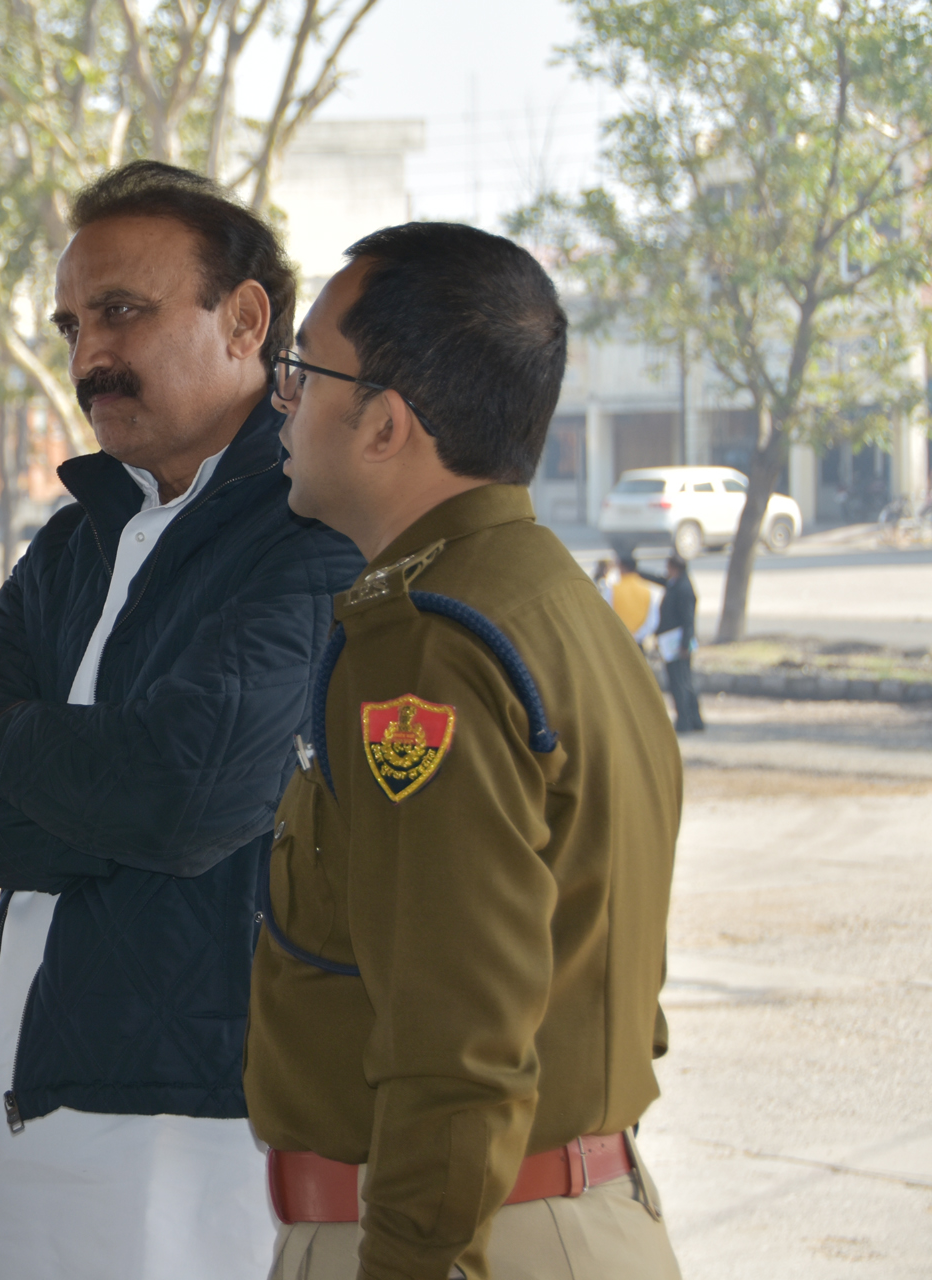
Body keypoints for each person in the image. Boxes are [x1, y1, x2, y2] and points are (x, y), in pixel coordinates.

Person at [0, 160, 363, 1279]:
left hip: (209, 1124)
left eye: (124, 311)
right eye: (72, 322)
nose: (89, 353)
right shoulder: (78, 538)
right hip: (32, 1082)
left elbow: (186, 795)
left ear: (245, 319)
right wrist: (98, 784)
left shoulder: (306, 532)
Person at [244, 221, 682, 1279]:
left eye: (299, 365)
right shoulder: (545, 598)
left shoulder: (428, 648)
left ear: (386, 423)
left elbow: (457, 1041)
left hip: (467, 1238)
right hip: (553, 1214)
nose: (280, 396)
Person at [658, 555, 706, 733]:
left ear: (674, 567)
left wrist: (685, 645)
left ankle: (685, 721)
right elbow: (661, 581)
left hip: (678, 644)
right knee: (684, 681)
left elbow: (688, 620)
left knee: (680, 682)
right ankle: (694, 720)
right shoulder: (677, 583)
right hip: (675, 642)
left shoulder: (683, 588)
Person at [610, 554, 661, 645]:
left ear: (622, 567)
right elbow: (653, 620)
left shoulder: (613, 590)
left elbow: (605, 616)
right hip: (638, 643)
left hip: (618, 642)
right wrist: (638, 635)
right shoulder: (647, 589)